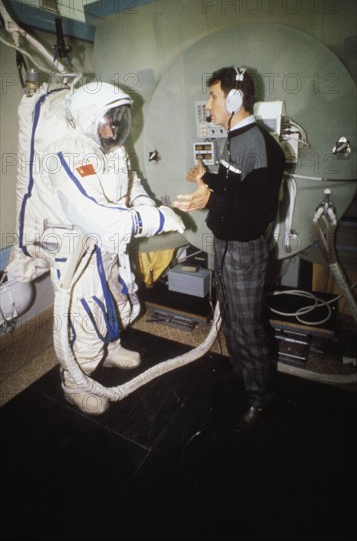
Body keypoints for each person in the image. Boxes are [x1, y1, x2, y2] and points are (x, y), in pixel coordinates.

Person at [7, 81, 185, 415]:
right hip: (73, 249)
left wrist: (148, 207)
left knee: (117, 301)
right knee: (88, 315)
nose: (114, 127)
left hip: (103, 245)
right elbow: (95, 216)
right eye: (108, 119)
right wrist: (157, 220)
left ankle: (110, 347)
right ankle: (75, 380)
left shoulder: (114, 151)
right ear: (89, 119)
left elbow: (134, 188)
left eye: (118, 119)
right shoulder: (64, 155)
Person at [174, 66, 285, 432]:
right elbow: (233, 185)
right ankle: (240, 371)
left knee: (248, 325)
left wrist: (210, 201)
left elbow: (257, 213)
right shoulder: (235, 138)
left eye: (214, 97)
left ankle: (259, 398)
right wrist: (207, 180)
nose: (208, 106)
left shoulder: (261, 146)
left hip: (243, 249)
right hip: (225, 243)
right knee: (233, 318)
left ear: (235, 99)